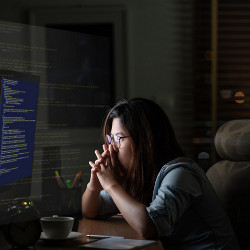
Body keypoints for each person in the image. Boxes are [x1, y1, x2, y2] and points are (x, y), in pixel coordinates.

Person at [81, 98, 240, 250]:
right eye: (111, 140)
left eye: (119, 139)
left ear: (147, 140)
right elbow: (91, 211)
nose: (112, 149)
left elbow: (150, 227)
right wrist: (94, 187)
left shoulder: (181, 173)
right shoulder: (137, 176)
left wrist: (111, 185)